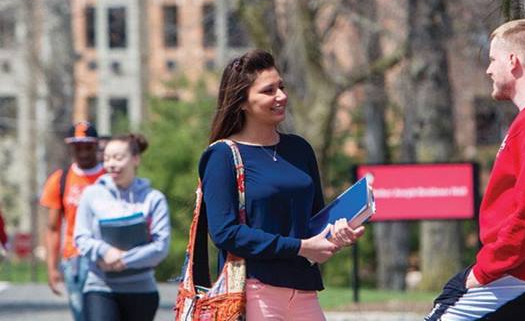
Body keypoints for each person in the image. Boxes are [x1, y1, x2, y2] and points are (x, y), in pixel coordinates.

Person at [425, 19, 525, 321]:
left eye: (492, 59)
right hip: (516, 273)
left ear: (513, 61)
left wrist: (482, 272)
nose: (488, 70)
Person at [196, 49, 365, 320]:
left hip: (305, 290)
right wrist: (300, 246)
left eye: (282, 87)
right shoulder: (222, 155)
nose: (281, 96)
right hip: (253, 292)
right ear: (241, 102)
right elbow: (225, 233)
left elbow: (313, 222)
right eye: (269, 91)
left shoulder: (299, 149)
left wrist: (337, 234)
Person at [74, 133, 170, 321]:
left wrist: (123, 259)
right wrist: (105, 251)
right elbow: (80, 237)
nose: (111, 164)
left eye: (118, 158)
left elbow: (161, 246)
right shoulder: (91, 194)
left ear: (135, 159)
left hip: (142, 291)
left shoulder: (153, 199)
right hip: (99, 287)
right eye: (107, 158)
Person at [39, 121, 105, 321]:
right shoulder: (60, 180)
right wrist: (52, 267)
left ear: (96, 146)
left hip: (105, 258)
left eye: (88, 146)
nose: (83, 152)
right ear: (70, 148)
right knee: (81, 315)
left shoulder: (109, 178)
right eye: (77, 147)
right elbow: (52, 228)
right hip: (74, 259)